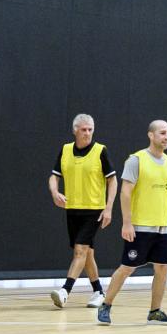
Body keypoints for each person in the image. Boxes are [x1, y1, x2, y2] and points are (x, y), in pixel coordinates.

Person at [96, 120, 167, 325]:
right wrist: (127, 223)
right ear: (151, 135)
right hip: (139, 226)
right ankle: (105, 305)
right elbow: (125, 193)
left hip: (161, 228)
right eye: (162, 133)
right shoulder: (136, 160)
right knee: (127, 267)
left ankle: (155, 311)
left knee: (163, 268)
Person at [46, 113, 117, 309]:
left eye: (90, 130)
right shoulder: (65, 150)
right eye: (83, 129)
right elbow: (54, 176)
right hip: (72, 209)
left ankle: (65, 291)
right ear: (75, 130)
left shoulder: (101, 151)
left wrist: (109, 207)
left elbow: (112, 180)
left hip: (94, 210)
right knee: (88, 254)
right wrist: (54, 192)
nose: (87, 133)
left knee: (80, 251)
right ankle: (99, 292)